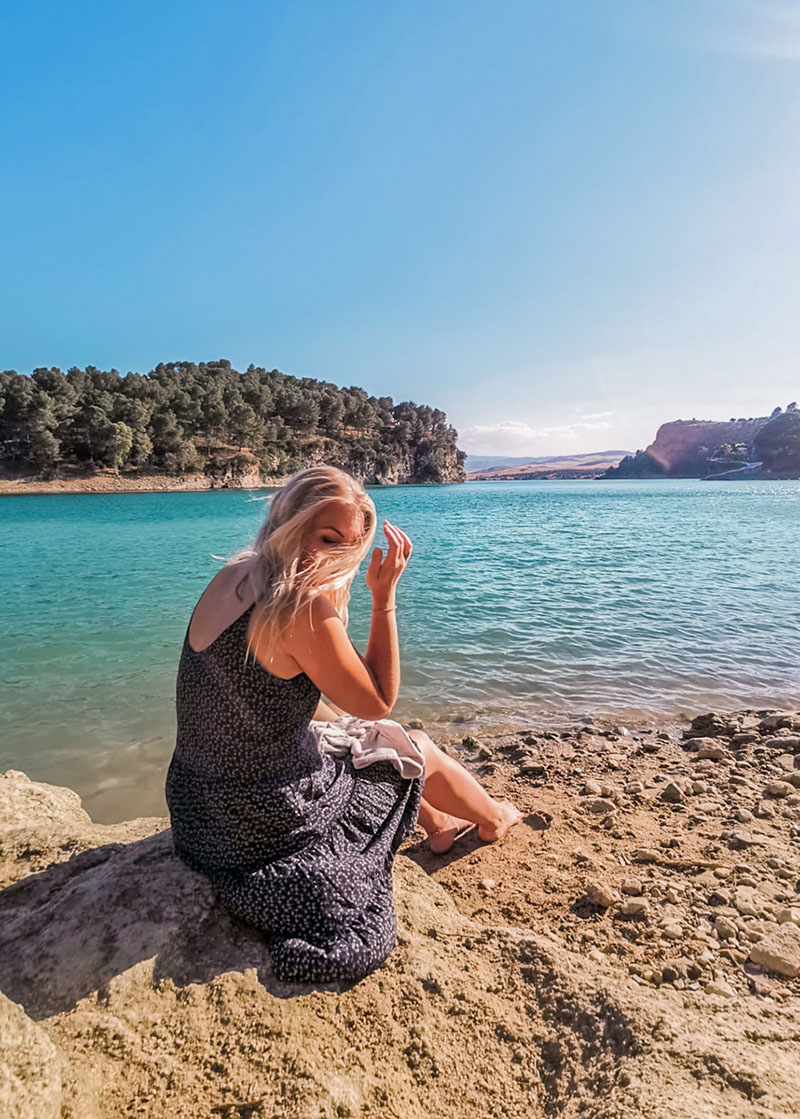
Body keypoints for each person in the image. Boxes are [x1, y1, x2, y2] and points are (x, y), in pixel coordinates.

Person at [165, 465, 522, 984]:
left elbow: (261, 696)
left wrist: (348, 726)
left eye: (347, 546)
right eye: (326, 537)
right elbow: (378, 699)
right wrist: (383, 597)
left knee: (355, 737)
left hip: (196, 810)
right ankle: (492, 819)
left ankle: (441, 826)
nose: (334, 555)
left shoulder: (231, 576)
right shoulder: (301, 608)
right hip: (257, 822)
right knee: (407, 742)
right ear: (289, 522)